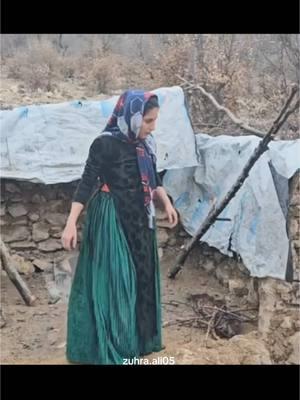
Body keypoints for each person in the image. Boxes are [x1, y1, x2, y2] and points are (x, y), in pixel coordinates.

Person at [61, 89, 178, 364]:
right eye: (148, 121)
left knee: (141, 280)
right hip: (112, 220)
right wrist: (70, 224)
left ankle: (138, 342)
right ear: (132, 116)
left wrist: (167, 204)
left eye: (155, 120)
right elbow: (86, 182)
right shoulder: (105, 144)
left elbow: (153, 177)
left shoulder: (146, 145)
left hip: (140, 220)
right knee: (117, 282)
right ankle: (117, 347)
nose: (152, 126)